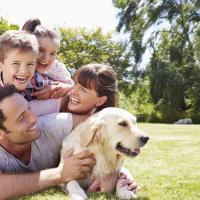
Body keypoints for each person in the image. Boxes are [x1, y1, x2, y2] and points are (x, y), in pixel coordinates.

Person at [0, 84, 95, 199]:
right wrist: (60, 174)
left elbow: (103, 125)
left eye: (28, 108)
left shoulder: (51, 125)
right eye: (21, 118)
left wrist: (115, 174)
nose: (34, 118)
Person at [61, 63, 138, 193]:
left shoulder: (105, 125)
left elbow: (111, 161)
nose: (72, 91)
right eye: (75, 84)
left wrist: (123, 176)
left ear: (100, 101)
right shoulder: (58, 117)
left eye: (83, 90)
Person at [0, 30, 63, 116]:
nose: (23, 71)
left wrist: (67, 89)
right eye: (16, 63)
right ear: (1, 64)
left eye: (30, 64)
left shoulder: (40, 83)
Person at [22, 18, 74, 99]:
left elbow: (73, 87)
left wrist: (65, 87)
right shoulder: (17, 65)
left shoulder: (56, 68)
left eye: (52, 53)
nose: (46, 58)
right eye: (40, 50)